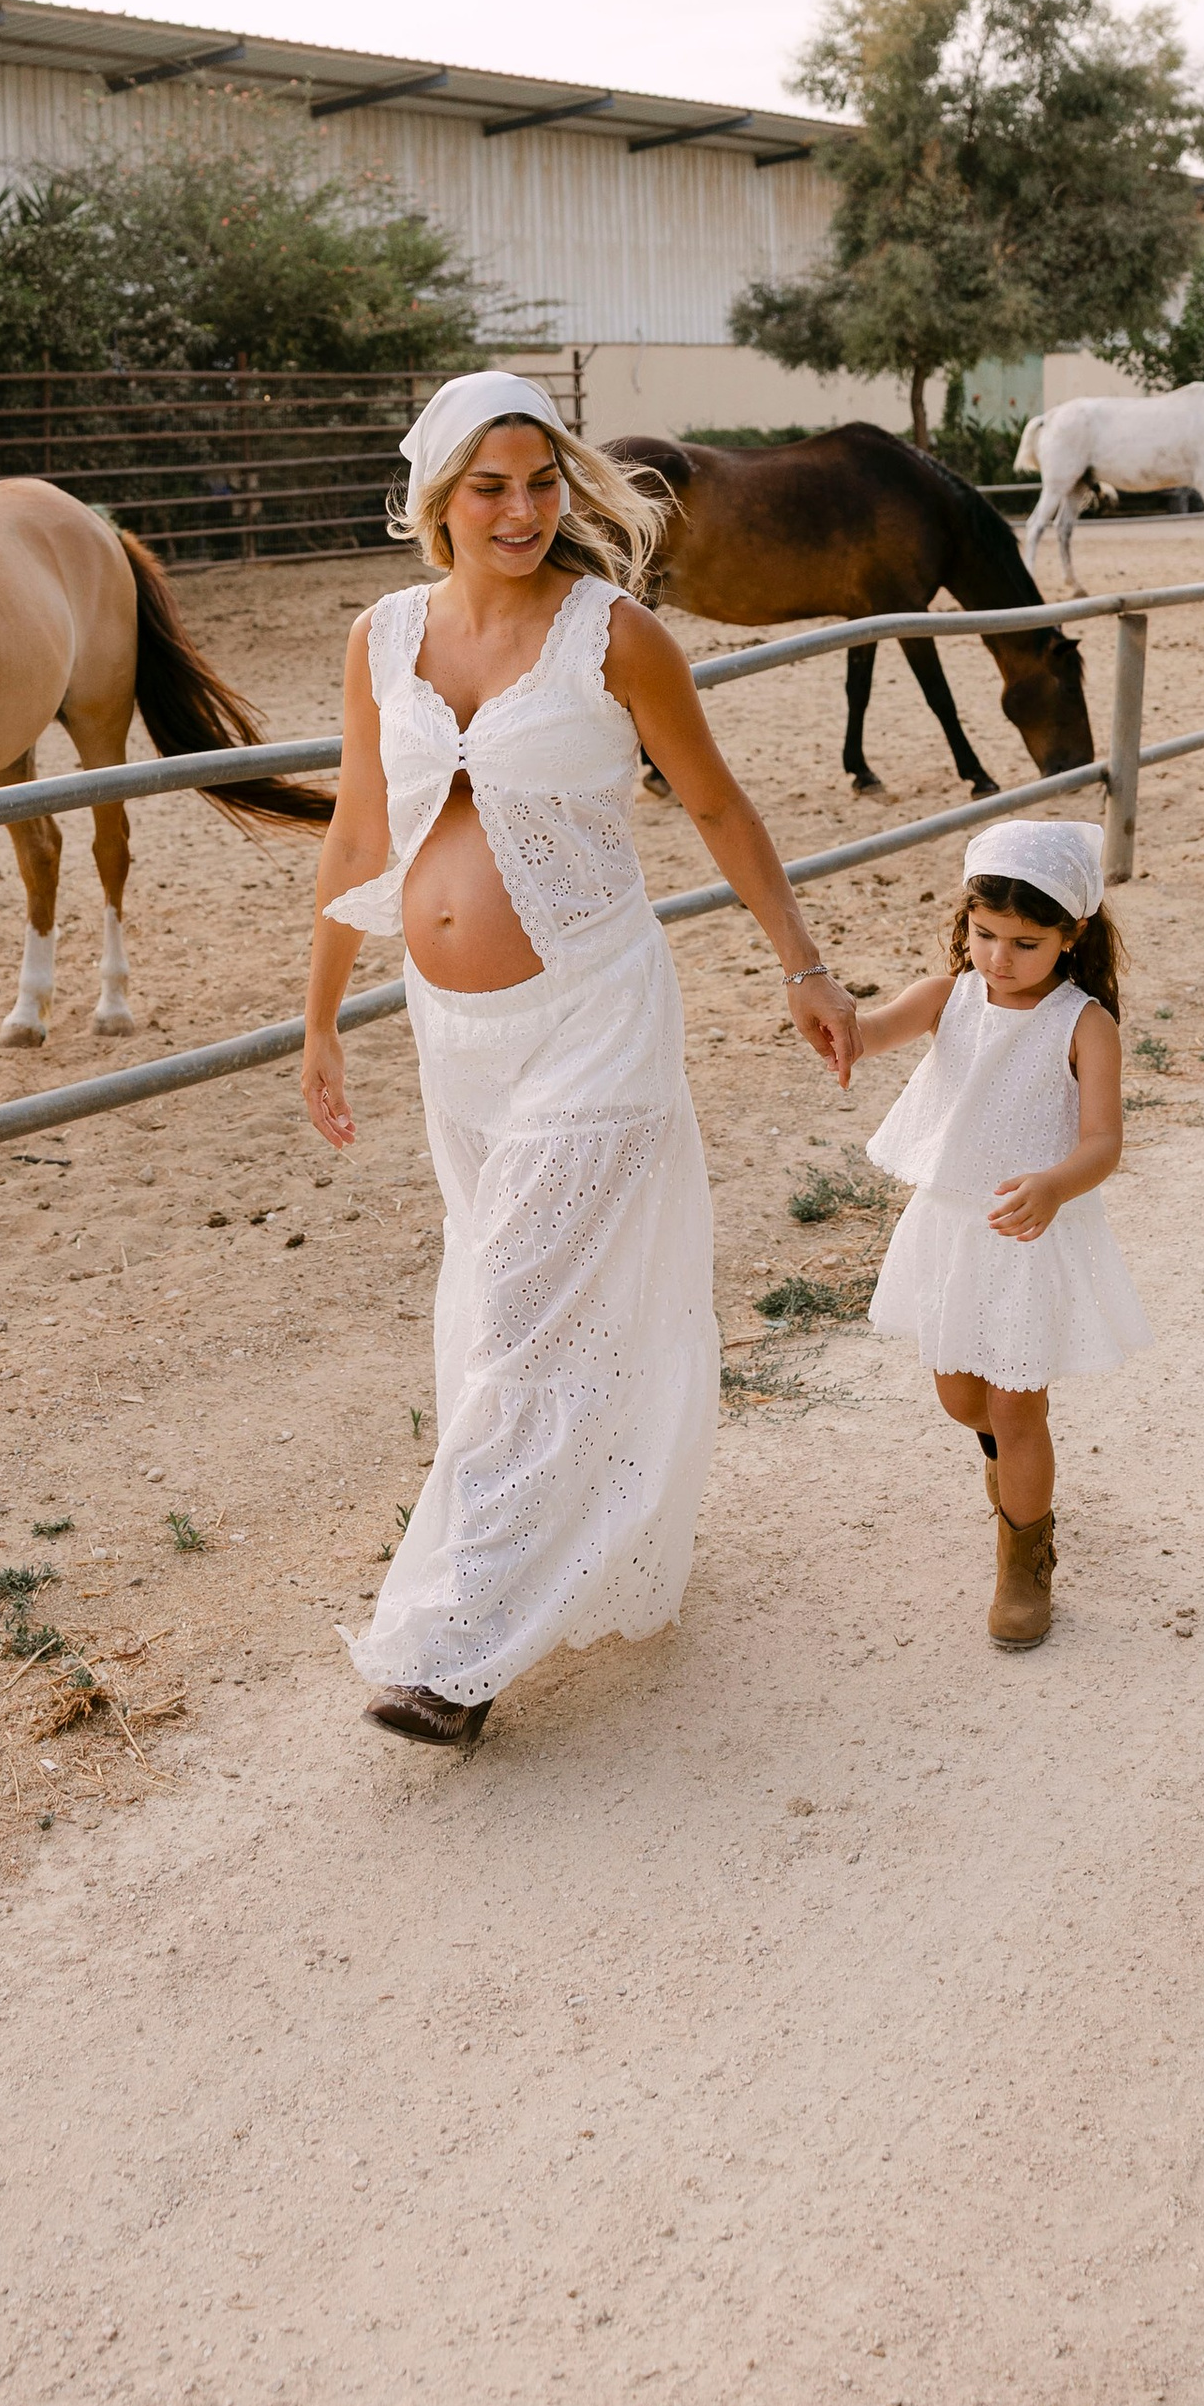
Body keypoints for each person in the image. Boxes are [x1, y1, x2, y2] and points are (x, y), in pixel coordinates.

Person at [301, 371, 859, 1747]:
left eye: (542, 482)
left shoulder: (614, 636)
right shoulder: (383, 637)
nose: (524, 510)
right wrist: (317, 1019)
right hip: (456, 1038)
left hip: (596, 1018)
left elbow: (716, 803)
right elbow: (360, 836)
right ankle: (563, 1546)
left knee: (524, 1312)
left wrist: (804, 963)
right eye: (490, 486)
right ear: (438, 497)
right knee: (504, 1305)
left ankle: (458, 1657)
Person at [849, 820, 1151, 1649]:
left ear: (1071, 936)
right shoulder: (950, 995)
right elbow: (876, 1028)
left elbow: (1102, 1142)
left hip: (1026, 1236)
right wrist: (843, 1028)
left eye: (1025, 943)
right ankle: (1004, 1462)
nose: (998, 959)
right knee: (962, 1396)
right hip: (950, 1226)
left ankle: (1024, 1555)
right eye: (985, 935)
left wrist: (1055, 1183)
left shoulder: (1082, 1024)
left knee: (1020, 1407)